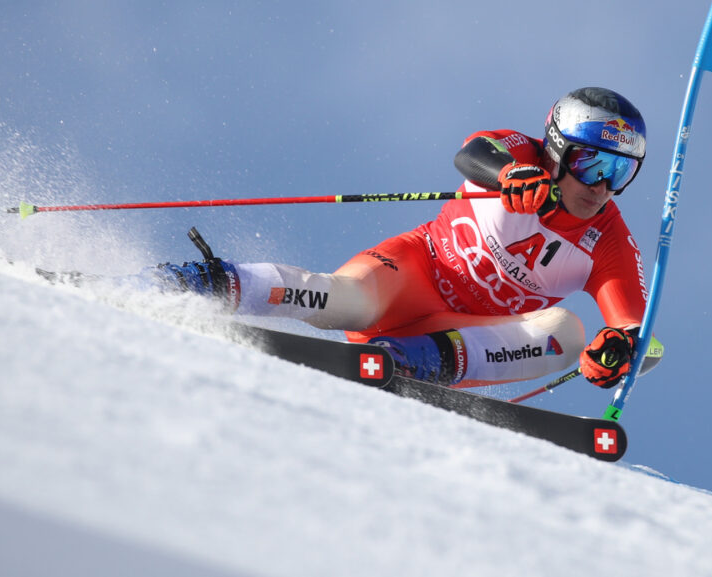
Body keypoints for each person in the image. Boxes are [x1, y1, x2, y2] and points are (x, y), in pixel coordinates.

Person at [154, 87, 653, 389]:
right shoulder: (523, 153)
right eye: (591, 164)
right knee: (344, 297)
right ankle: (199, 284)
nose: (602, 186)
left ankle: (408, 363)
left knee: (566, 332)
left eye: (620, 171)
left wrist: (619, 351)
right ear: (559, 150)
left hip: (457, 336)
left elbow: (637, 332)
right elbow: (474, 152)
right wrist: (509, 176)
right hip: (412, 273)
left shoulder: (608, 238)